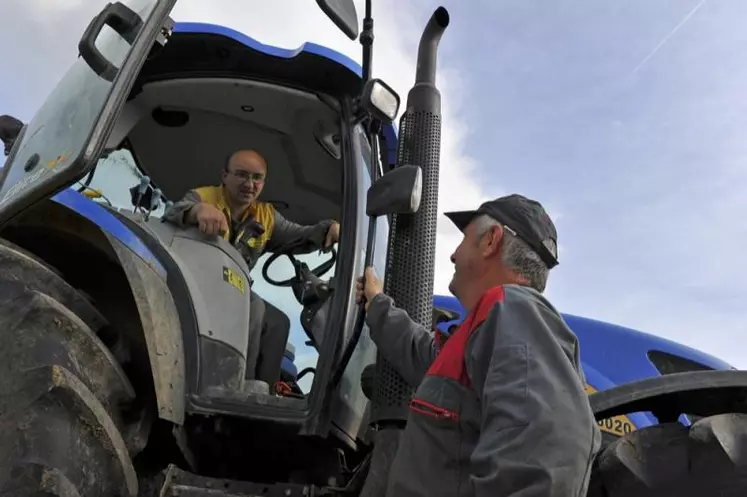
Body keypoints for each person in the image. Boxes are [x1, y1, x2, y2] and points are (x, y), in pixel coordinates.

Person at [356, 194, 601, 497]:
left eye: (463, 239)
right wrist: (377, 303)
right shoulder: (487, 332)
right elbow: (424, 357)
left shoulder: (511, 307)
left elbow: (551, 449)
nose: (453, 256)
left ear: (490, 241)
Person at [163, 149, 340, 386]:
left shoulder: (265, 217)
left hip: (232, 288)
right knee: (253, 306)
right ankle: (235, 385)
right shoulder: (204, 197)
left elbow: (300, 236)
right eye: (242, 175)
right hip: (194, 284)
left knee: (279, 322)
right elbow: (172, 212)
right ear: (225, 176)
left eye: (257, 178)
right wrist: (197, 211)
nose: (249, 184)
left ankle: (261, 391)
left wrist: (329, 229)